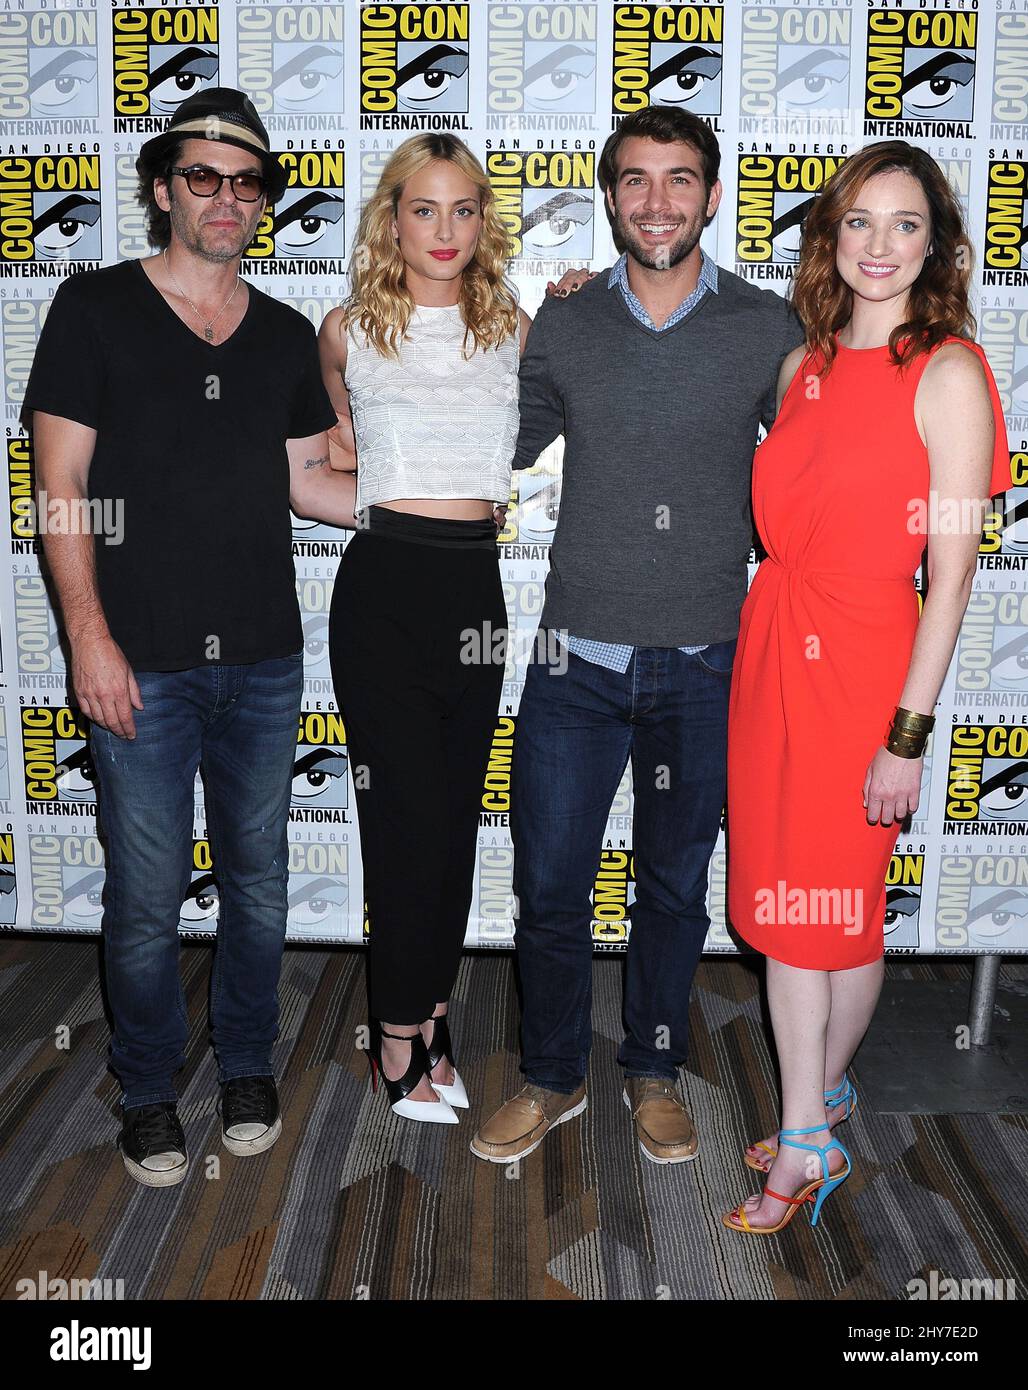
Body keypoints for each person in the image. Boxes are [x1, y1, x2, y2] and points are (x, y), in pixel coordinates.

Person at [23, 88, 358, 1186]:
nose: (226, 198)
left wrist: (450, 484)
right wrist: (88, 636)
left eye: (247, 181)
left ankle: (249, 1061)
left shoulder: (282, 333)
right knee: (145, 887)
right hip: (141, 659)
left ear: (264, 200)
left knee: (261, 880)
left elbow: (317, 484)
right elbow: (61, 487)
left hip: (262, 655)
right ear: (164, 188)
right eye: (203, 177)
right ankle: (151, 1086)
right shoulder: (95, 309)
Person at [470, 106, 804, 1166]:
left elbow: (810, 475)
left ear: (711, 196)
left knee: (671, 882)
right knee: (551, 882)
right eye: (633, 181)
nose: (655, 200)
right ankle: (551, 1075)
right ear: (609, 196)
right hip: (575, 660)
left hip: (707, 660)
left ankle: (652, 1067)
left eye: (677, 179)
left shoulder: (764, 327)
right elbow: (496, 450)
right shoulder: (563, 320)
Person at [722, 141, 1012, 1234]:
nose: (877, 246)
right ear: (828, 237)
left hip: (865, 663)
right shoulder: (800, 365)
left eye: (902, 224)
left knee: (812, 915)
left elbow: (950, 576)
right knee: (813, 909)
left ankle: (802, 1143)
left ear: (932, 241)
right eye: (857, 222)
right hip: (773, 646)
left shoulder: (946, 370)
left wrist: (906, 732)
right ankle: (823, 1096)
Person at [319, 134, 529, 1123]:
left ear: (483, 222)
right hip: (384, 592)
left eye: (462, 210)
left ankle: (429, 1009)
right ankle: (393, 1033)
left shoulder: (516, 328)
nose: (443, 230)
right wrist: (374, 505)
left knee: (450, 822)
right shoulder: (346, 330)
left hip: (474, 591)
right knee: (399, 821)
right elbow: (329, 461)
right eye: (422, 208)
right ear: (390, 216)